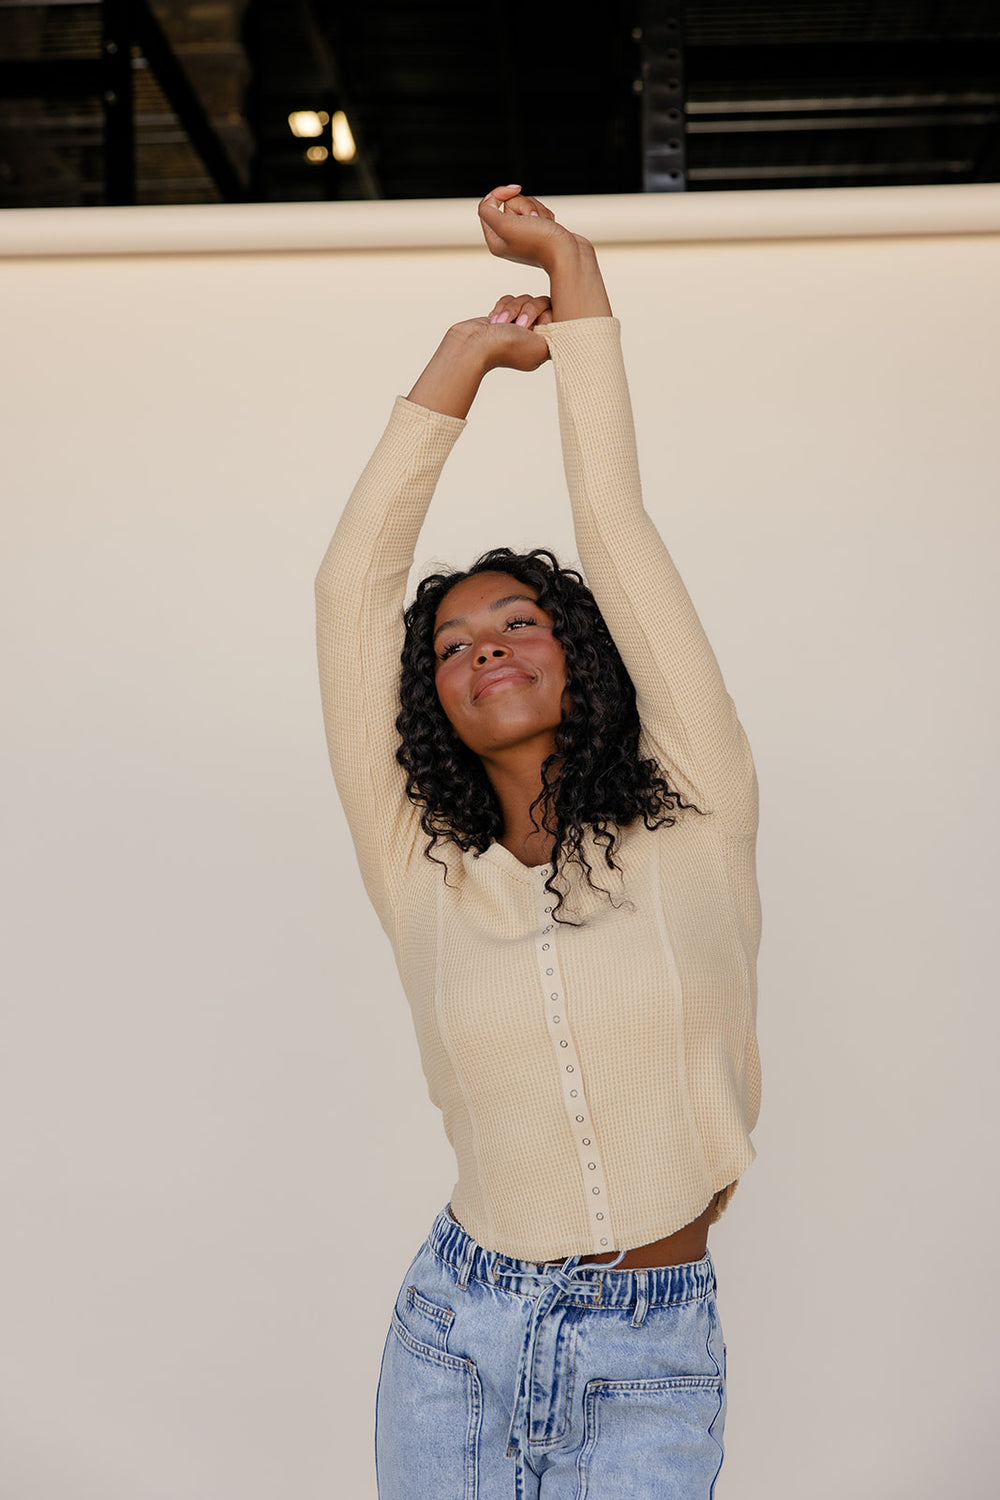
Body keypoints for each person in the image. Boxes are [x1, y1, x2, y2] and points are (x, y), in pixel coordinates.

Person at [315, 184, 761, 1500]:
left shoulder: (696, 808)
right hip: (452, 1336)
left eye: (518, 622)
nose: (486, 650)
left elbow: (614, 527)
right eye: (452, 646)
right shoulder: (419, 868)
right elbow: (351, 594)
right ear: (433, 703)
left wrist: (572, 276)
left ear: (581, 654)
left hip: (649, 1353)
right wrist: (457, 362)